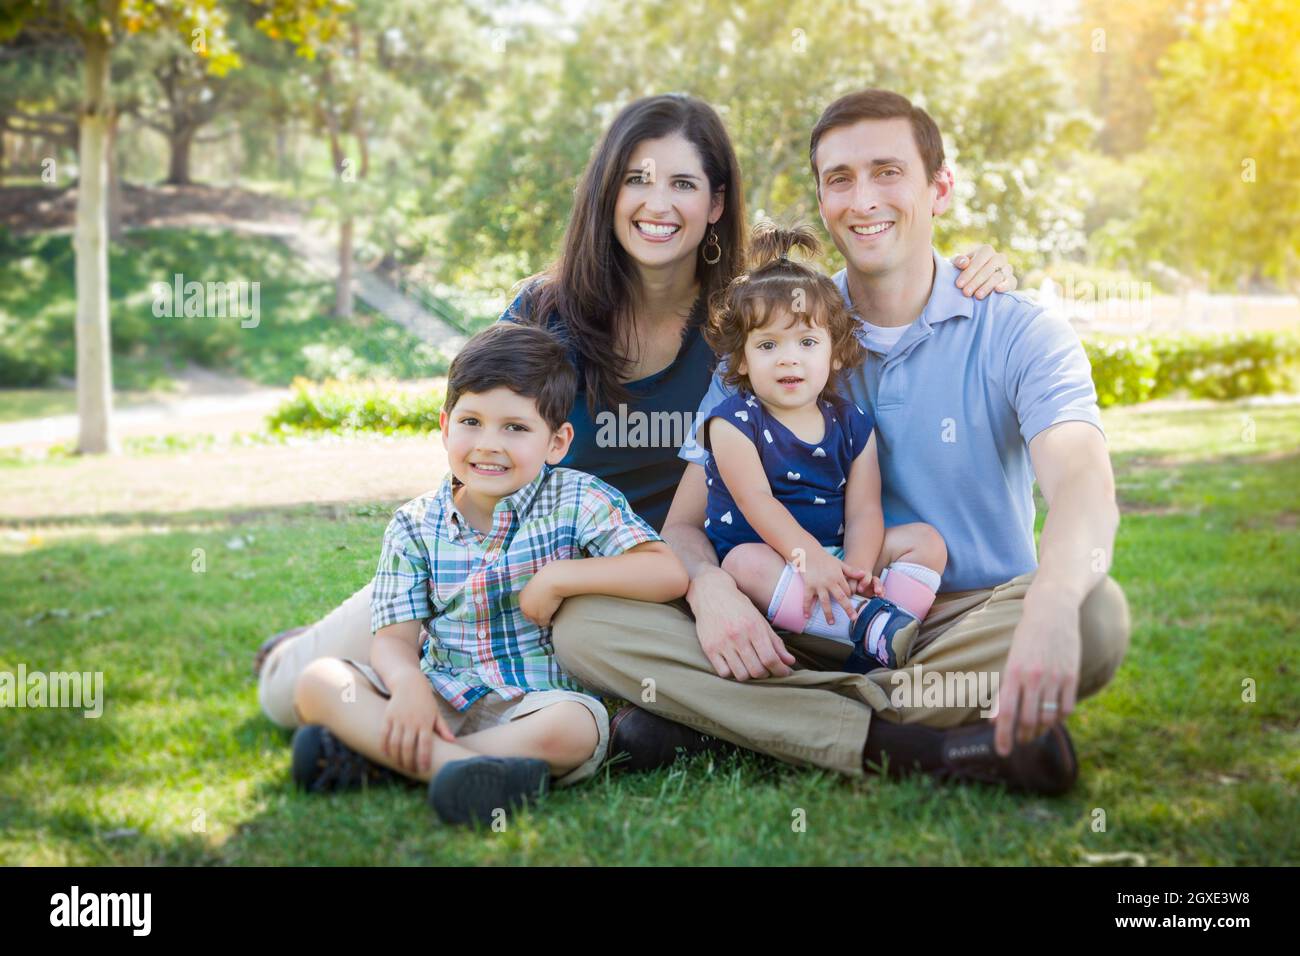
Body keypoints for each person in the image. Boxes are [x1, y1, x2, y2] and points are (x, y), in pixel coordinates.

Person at [253, 92, 1019, 767]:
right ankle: (318, 673)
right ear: (607, 193)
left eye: (684, 183)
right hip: (516, 566)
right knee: (289, 689)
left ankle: (396, 740)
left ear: (716, 204)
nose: (659, 203)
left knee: (595, 660)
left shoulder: (747, 320)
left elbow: (863, 293)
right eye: (637, 179)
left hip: (657, 585)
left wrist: (974, 267)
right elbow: (481, 452)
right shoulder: (545, 314)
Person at [548, 89, 1130, 796]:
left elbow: (1083, 485)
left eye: (888, 172)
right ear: (822, 201)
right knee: (584, 625)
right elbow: (686, 525)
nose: (864, 200)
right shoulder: (776, 327)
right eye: (840, 180)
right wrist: (709, 591)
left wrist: (1049, 605)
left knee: (1094, 613)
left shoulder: (1017, 328)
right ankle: (916, 744)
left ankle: (744, 718)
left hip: (950, 622)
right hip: (790, 616)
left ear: (938, 188)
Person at [290, 323, 688, 825]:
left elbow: (667, 572)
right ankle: (464, 769)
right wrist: (408, 685)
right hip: (441, 694)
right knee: (320, 681)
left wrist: (561, 577)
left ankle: (385, 762)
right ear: (444, 426)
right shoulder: (414, 524)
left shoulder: (578, 498)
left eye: (515, 428)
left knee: (579, 727)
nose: (488, 445)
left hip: (534, 704)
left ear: (557, 441)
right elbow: (393, 639)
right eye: (471, 421)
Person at [700, 220, 946, 676]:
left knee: (926, 543)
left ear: (834, 353)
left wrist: (853, 572)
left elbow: (864, 512)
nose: (789, 358)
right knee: (741, 562)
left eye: (807, 342)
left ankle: (870, 632)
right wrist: (805, 558)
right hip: (772, 563)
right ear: (741, 359)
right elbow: (756, 501)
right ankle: (864, 633)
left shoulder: (852, 424)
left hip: (833, 559)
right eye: (768, 344)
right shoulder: (734, 422)